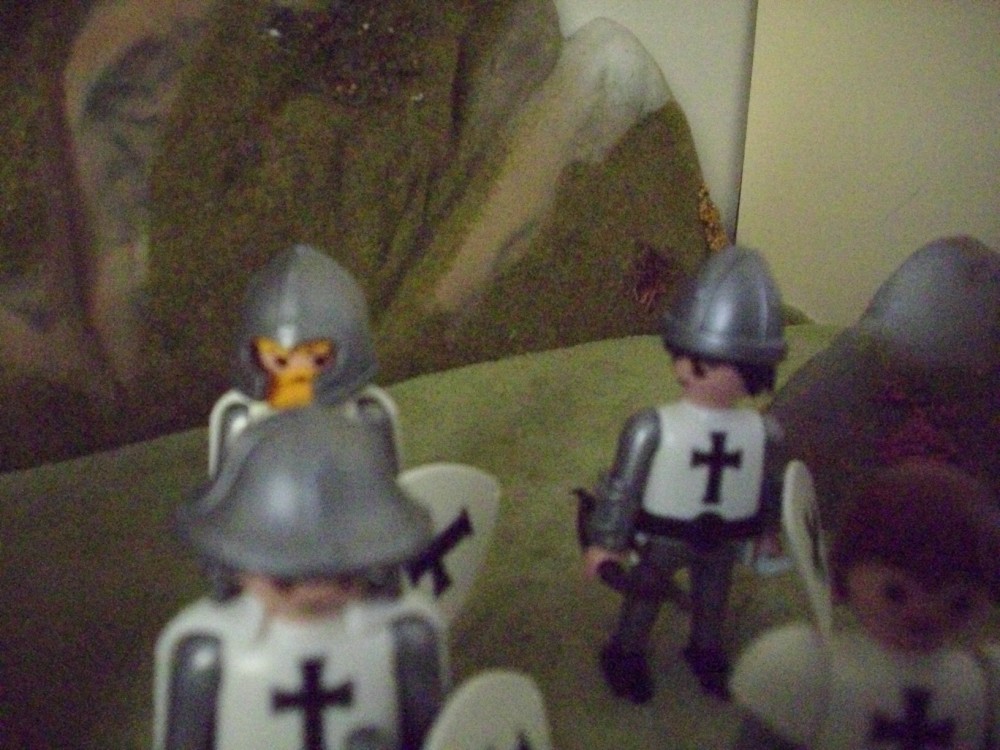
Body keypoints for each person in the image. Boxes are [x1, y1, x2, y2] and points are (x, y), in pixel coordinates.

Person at [154, 407, 445, 750]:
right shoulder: (208, 654)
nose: (315, 591)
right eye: (285, 579)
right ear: (235, 562)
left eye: (342, 575)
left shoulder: (405, 639)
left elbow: (433, 736)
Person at [581, 245, 788, 702]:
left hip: (725, 537)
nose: (696, 371)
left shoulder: (763, 433)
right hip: (662, 535)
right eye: (693, 359)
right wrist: (607, 542)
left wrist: (767, 531)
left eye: (717, 364)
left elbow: (768, 487)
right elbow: (622, 487)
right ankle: (625, 653)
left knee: (714, 599)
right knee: (644, 595)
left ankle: (705, 650)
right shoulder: (651, 427)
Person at [730, 460, 1000, 749]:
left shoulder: (987, 685)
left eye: (959, 603)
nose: (924, 616)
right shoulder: (806, 671)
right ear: (846, 572)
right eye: (895, 593)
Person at [208, 244, 400, 477]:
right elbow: (222, 489)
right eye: (279, 360)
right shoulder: (240, 420)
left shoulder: (366, 416)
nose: (296, 375)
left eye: (318, 359)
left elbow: (387, 486)